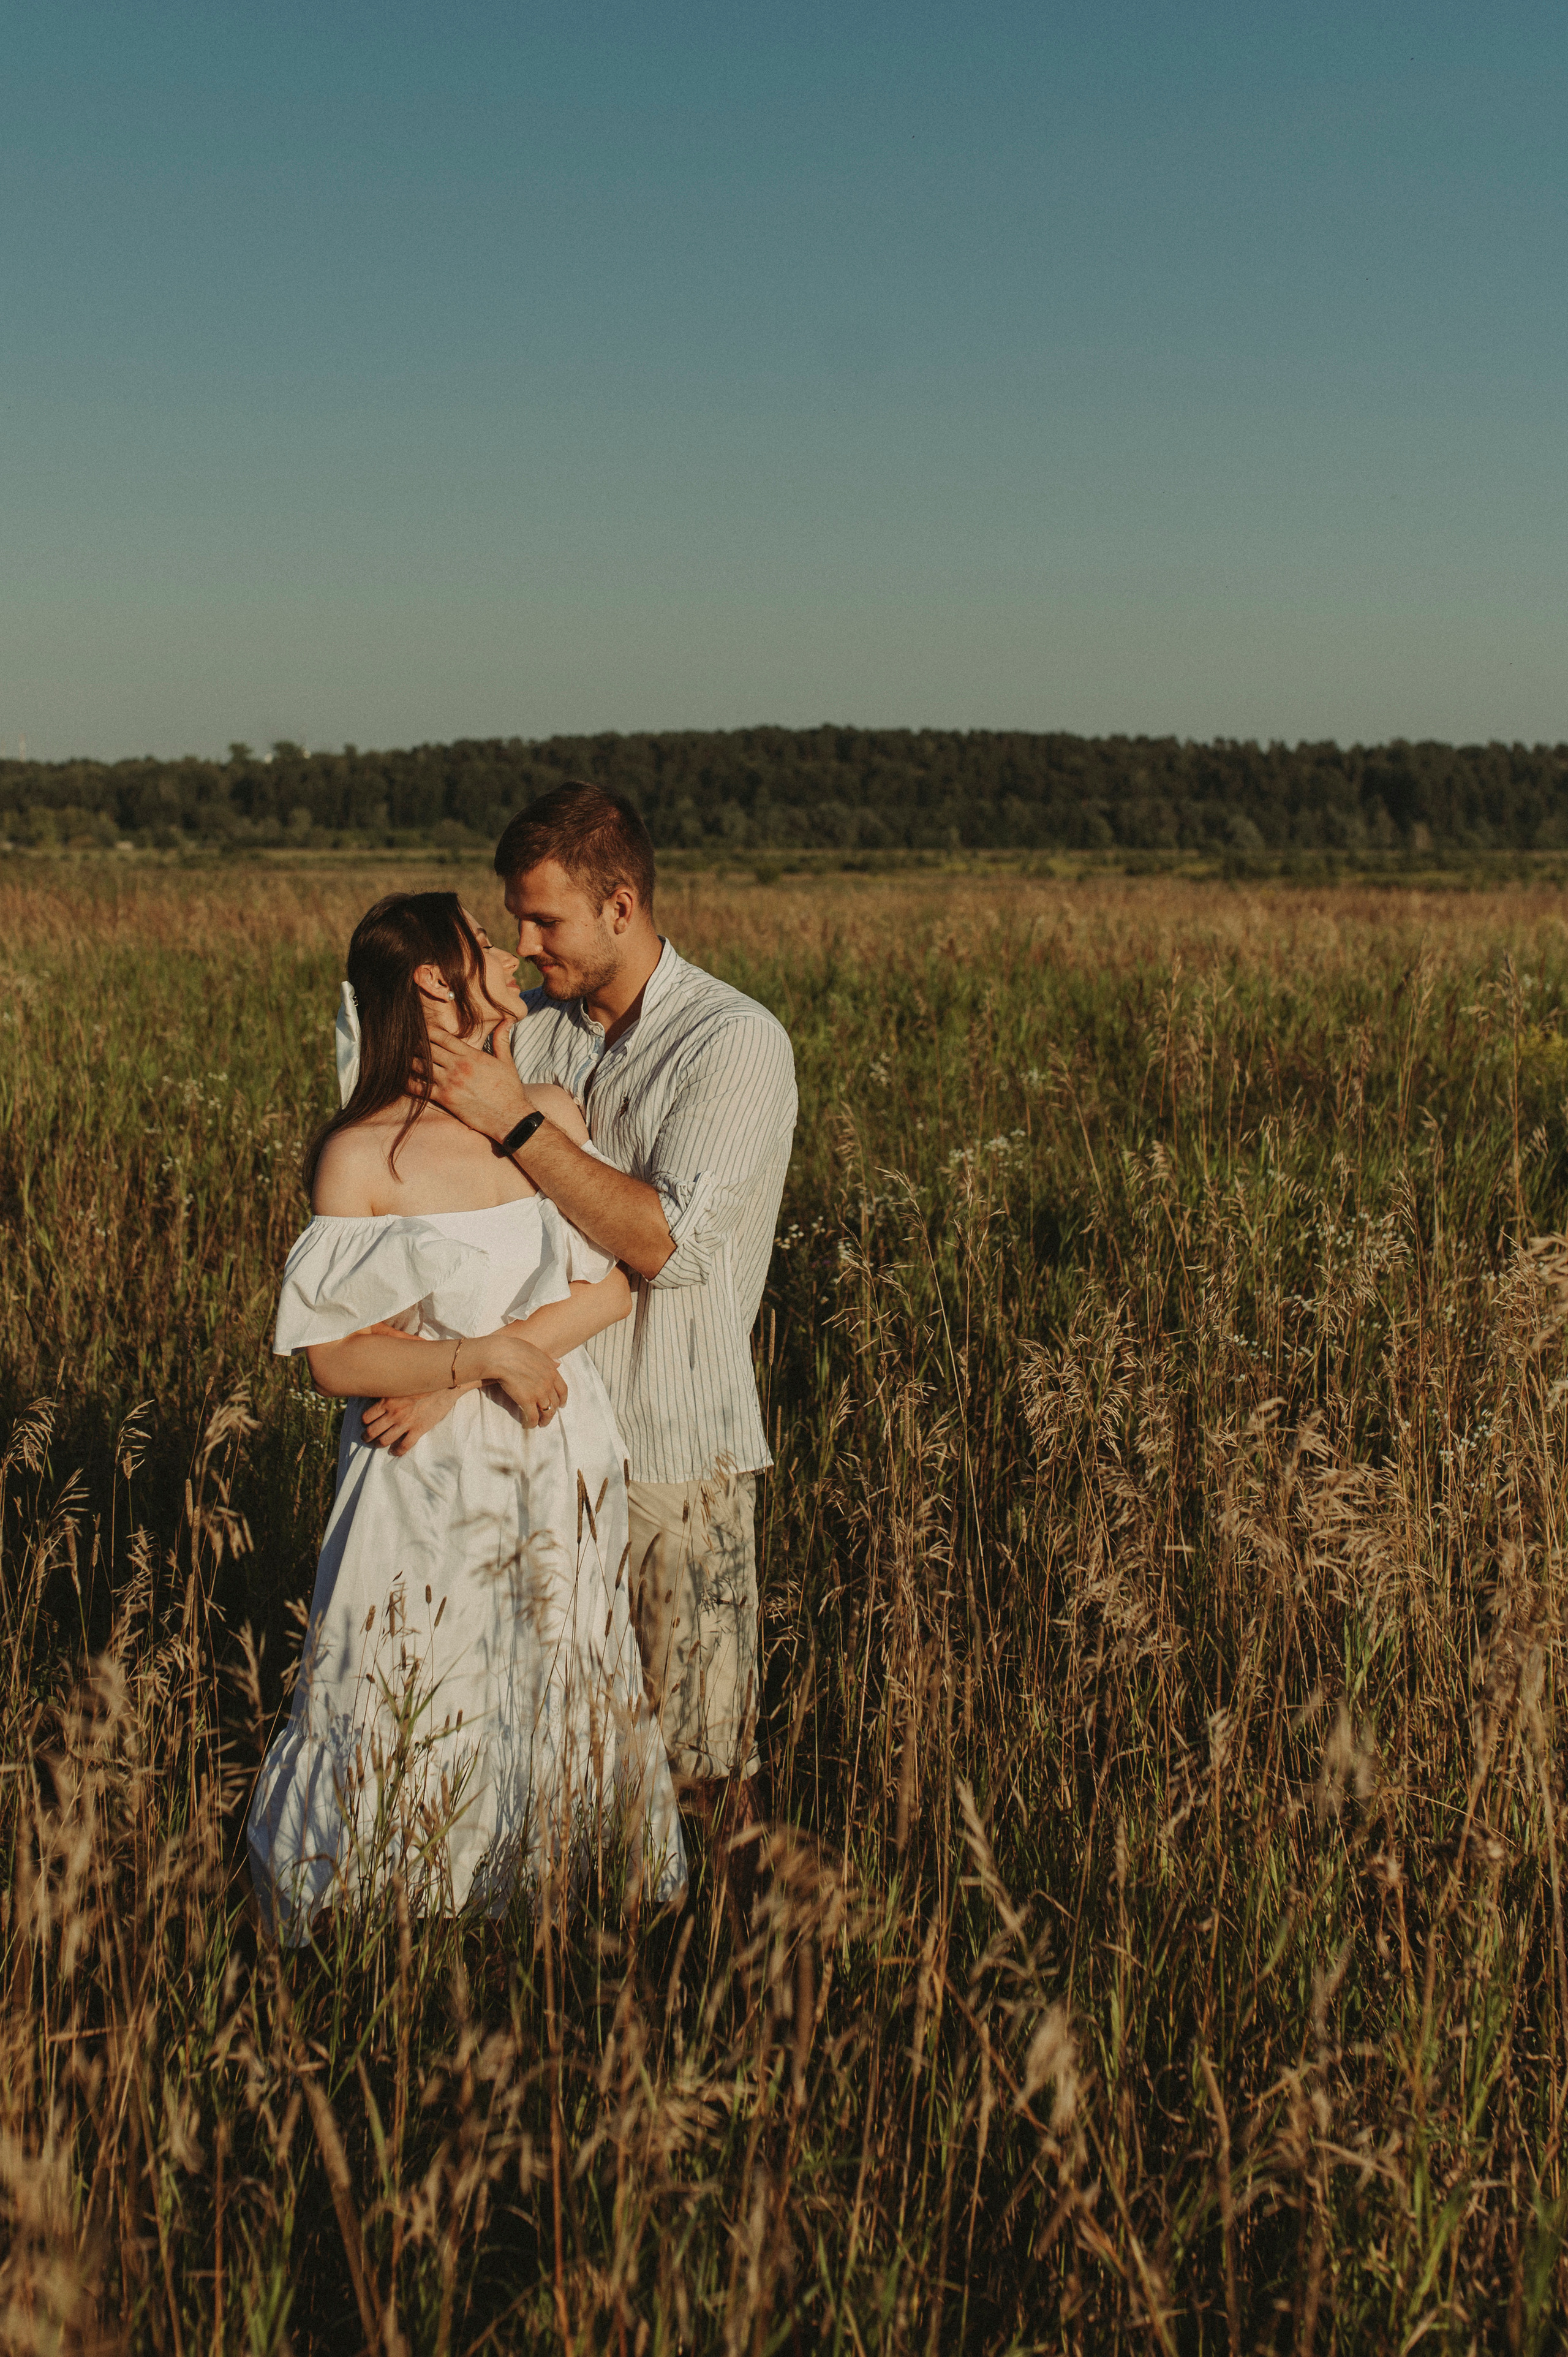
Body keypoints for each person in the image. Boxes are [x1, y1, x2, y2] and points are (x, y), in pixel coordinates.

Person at [367, 785, 797, 1892]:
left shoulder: (734, 1043)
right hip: (536, 1452)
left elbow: (663, 1241)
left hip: (669, 1458)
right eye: (515, 920)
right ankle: (595, 1995)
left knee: (704, 1767)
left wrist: (510, 1116)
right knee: (554, 1751)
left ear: (621, 905)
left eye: (545, 922)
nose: (523, 945)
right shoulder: (535, 1032)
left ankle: (748, 2007)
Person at [247, 890, 685, 1942]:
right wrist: (472, 1354)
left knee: (555, 1658)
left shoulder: (550, 1114)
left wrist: (487, 1364)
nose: (507, 950)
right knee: (411, 1671)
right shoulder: (364, 1154)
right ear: (434, 981)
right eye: (482, 942)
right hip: (419, 1470)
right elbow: (335, 1357)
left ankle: (551, 1918)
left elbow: (621, 1279)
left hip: (548, 1446)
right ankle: (392, 1925)